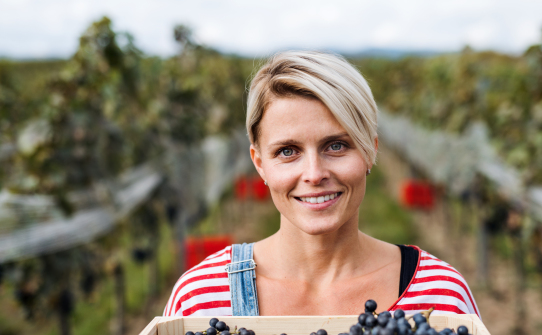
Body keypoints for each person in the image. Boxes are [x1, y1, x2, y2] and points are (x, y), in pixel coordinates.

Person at [164, 51, 479, 318]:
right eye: (288, 151)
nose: (314, 174)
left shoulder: (440, 297)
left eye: (337, 146)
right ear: (259, 164)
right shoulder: (199, 301)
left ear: (370, 151)